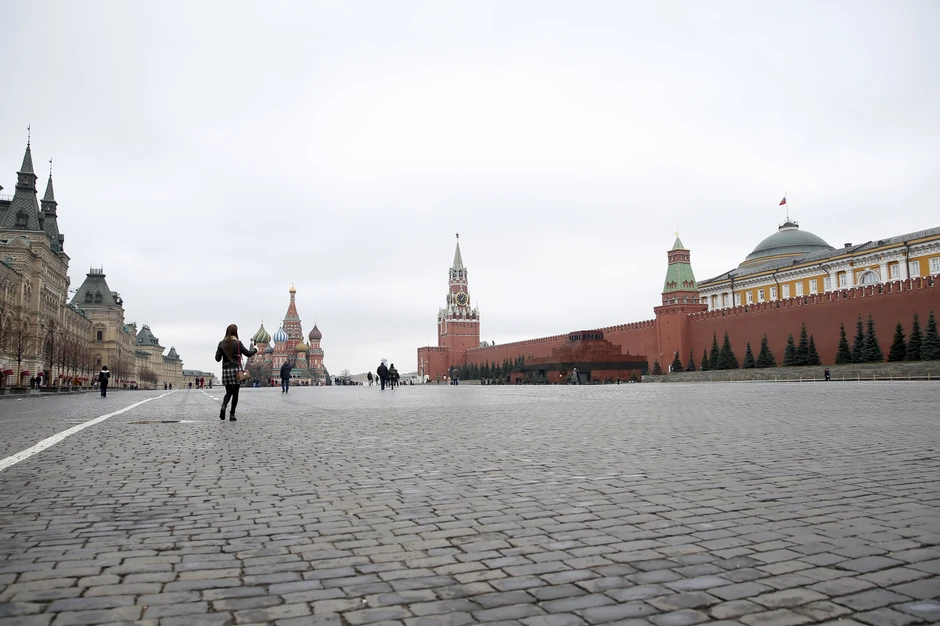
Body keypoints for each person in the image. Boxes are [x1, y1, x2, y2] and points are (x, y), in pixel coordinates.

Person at [215, 324, 257, 421]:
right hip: (236, 371)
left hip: (226, 371)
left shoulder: (221, 343)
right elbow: (248, 354)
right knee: (235, 393)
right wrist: (255, 349)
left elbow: (217, 359)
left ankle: (223, 406)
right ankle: (232, 414)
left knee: (228, 392)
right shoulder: (238, 343)